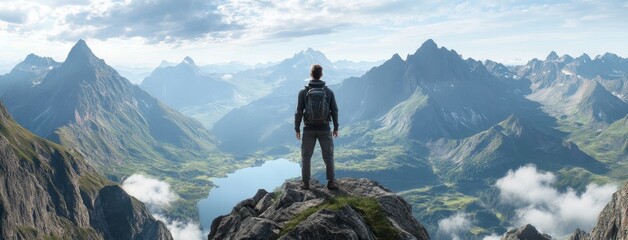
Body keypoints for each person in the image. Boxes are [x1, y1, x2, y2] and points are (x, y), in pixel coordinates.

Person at [294, 64, 339, 190]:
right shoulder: (328, 92)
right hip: (325, 129)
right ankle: (331, 182)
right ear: (321, 75)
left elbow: (299, 112)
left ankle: (305, 183)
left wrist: (297, 128)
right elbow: (334, 110)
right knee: (328, 156)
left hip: (308, 129)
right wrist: (336, 127)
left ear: (310, 74)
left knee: (306, 156)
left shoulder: (303, 92)